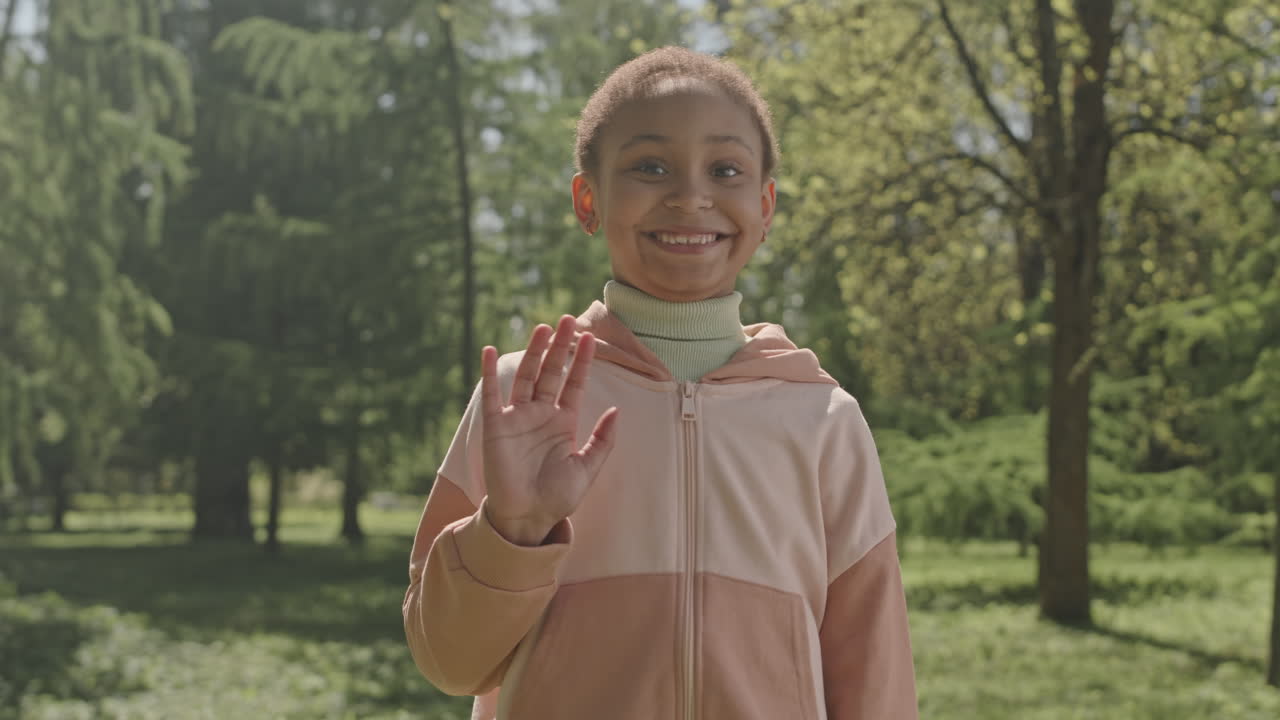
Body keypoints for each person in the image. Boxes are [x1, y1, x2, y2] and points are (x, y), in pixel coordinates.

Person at [403, 46, 918, 720]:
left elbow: (873, 672)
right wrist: (512, 529)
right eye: (650, 167)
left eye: (725, 169)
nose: (690, 195)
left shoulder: (823, 417)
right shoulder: (523, 397)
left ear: (764, 207)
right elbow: (450, 663)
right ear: (588, 199)